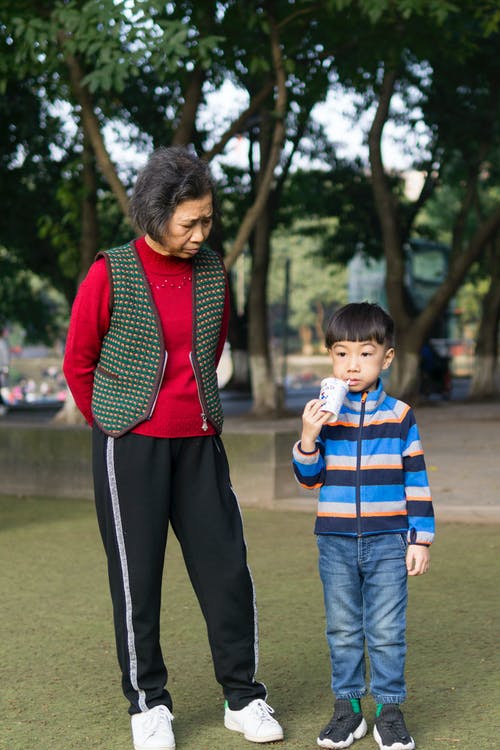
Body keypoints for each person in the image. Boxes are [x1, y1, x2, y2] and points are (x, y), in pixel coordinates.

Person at [63, 146, 283, 750]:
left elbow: (207, 353)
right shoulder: (110, 271)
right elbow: (78, 361)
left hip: (200, 441)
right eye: (189, 222)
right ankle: (148, 705)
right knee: (138, 579)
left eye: (207, 218)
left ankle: (244, 697)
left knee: (227, 572)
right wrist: (111, 422)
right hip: (129, 444)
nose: (201, 232)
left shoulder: (213, 270)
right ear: (154, 216)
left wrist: (194, 408)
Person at [292, 302, 434, 750]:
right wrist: (309, 436)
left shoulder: (400, 416)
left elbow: (416, 478)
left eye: (365, 354)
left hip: (389, 539)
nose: (352, 365)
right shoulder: (324, 415)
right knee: (343, 628)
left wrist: (421, 538)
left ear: (386, 358)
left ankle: (389, 711)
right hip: (333, 540)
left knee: (388, 630)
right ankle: (348, 710)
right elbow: (308, 479)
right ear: (330, 357)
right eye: (341, 353)